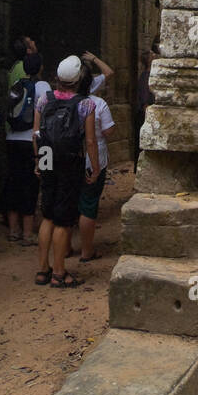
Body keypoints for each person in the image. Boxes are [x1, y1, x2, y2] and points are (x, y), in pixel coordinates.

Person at [33, 55, 99, 289]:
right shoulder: (85, 104)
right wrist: (95, 166)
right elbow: (90, 141)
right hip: (70, 160)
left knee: (48, 214)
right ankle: (59, 272)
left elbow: (37, 134)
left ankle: (43, 269)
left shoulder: (44, 99)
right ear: (79, 78)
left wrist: (38, 161)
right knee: (63, 218)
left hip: (48, 158)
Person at [2, 50, 50, 244]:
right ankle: (28, 233)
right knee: (30, 185)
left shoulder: (16, 85)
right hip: (31, 140)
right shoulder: (42, 86)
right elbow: (47, 109)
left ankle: (13, 230)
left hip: (12, 138)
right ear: (39, 68)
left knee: (14, 182)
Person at [75, 61, 115, 264]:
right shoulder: (98, 104)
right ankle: (86, 250)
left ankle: (64, 248)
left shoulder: (59, 101)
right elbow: (108, 131)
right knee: (88, 204)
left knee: (69, 202)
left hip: (67, 159)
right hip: (93, 159)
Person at [134, 41, 158, 167]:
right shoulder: (146, 76)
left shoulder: (149, 75)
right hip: (145, 115)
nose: (155, 55)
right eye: (153, 54)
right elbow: (144, 99)